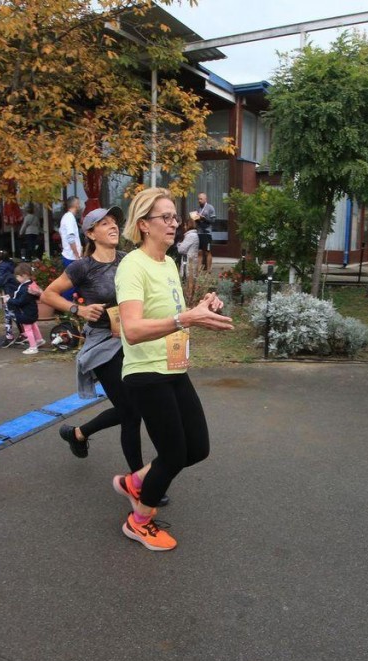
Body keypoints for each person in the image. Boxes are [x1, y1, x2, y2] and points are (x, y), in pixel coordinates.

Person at [112, 187, 234, 551]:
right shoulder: (132, 266)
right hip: (146, 373)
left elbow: (173, 316)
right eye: (165, 217)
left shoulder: (166, 263)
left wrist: (200, 308)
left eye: (175, 217)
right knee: (174, 454)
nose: (174, 223)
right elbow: (132, 329)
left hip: (173, 367)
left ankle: (135, 482)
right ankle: (138, 521)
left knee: (197, 448)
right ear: (143, 224)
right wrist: (185, 318)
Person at [40, 206, 154, 500]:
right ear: (90, 234)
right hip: (103, 344)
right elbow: (48, 294)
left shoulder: (128, 260)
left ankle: (78, 433)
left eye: (114, 222)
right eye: (104, 224)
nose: (113, 226)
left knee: (135, 408)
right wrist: (77, 309)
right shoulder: (83, 267)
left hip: (131, 339)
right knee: (131, 412)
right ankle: (138, 483)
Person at [7, 262, 44, 355]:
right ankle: (39, 340)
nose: (16, 278)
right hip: (32, 310)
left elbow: (20, 301)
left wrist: (9, 300)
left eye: (17, 276)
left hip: (25, 312)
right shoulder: (31, 285)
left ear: (24, 275)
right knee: (33, 325)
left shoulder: (25, 288)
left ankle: (33, 347)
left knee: (28, 329)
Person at [176, 214, 199, 295]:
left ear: (188, 225)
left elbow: (181, 250)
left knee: (189, 281)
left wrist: (178, 244)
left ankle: (188, 297)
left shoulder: (190, 236)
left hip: (189, 262)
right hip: (191, 260)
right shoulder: (193, 235)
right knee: (190, 281)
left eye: (185, 225)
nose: (184, 227)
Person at [194, 192, 215, 273]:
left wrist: (204, 218)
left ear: (205, 199)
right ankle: (199, 270)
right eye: (198, 199)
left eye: (201, 199)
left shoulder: (210, 208)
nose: (199, 200)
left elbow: (213, 221)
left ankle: (209, 269)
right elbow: (197, 221)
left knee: (207, 251)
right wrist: (195, 218)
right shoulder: (198, 208)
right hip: (199, 233)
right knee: (199, 252)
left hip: (207, 233)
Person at [58, 197, 82, 266]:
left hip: (70, 256)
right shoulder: (69, 218)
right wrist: (77, 255)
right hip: (71, 257)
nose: (79, 205)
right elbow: (70, 238)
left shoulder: (67, 217)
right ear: (75, 204)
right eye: (78, 203)